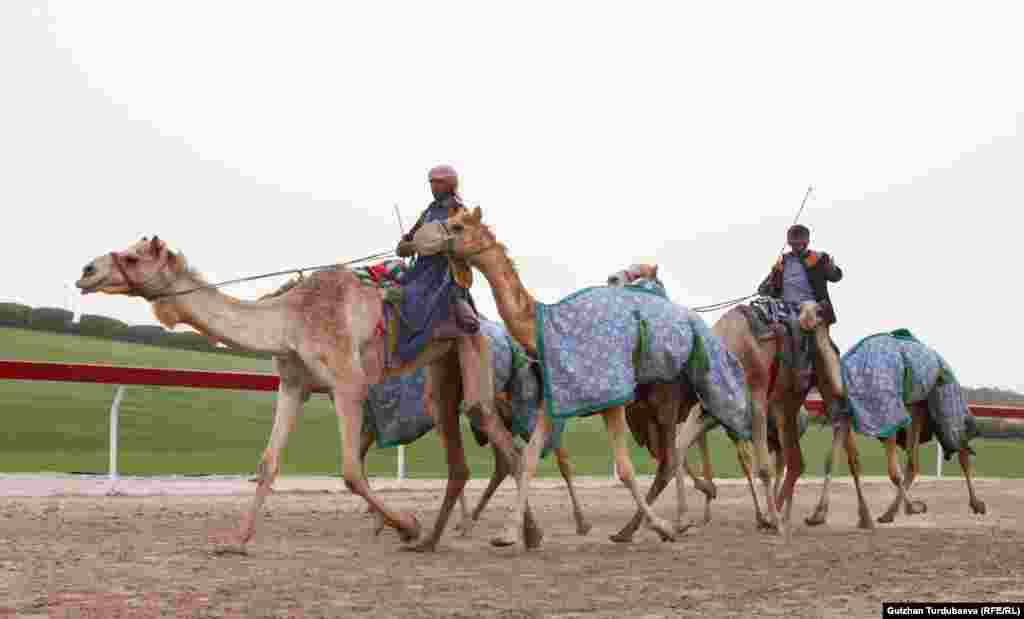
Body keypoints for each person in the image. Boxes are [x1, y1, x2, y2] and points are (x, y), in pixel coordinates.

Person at [393, 164, 480, 363]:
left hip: (445, 271)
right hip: (421, 268)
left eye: (438, 183)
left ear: (450, 184)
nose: (433, 187)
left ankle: (408, 350)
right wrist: (405, 245)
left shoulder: (459, 211)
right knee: (393, 288)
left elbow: (468, 244)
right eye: (431, 183)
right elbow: (410, 239)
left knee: (416, 299)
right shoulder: (429, 211)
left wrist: (443, 244)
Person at [756, 224, 843, 325]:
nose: (795, 247)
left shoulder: (819, 258)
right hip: (785, 307)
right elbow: (763, 290)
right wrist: (768, 286)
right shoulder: (782, 262)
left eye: (798, 244)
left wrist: (831, 270)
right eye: (793, 244)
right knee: (760, 314)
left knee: (804, 315)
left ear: (806, 243)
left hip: (811, 305)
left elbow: (836, 277)